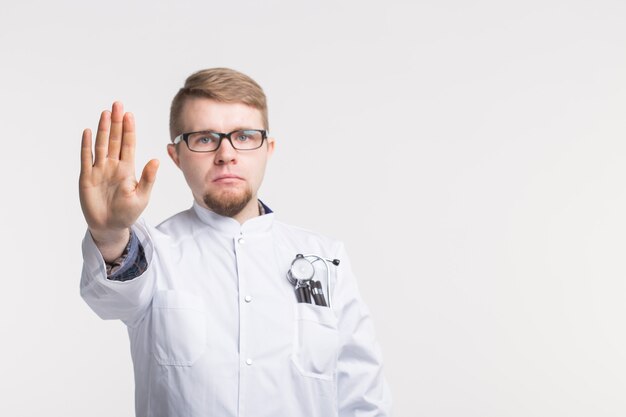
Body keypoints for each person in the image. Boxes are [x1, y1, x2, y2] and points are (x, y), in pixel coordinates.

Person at [79, 68, 392, 417]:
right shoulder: (153, 252)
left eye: (244, 136)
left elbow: (364, 401)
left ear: (268, 149)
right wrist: (108, 234)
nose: (226, 154)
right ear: (176, 156)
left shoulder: (325, 259)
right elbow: (110, 301)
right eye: (204, 138)